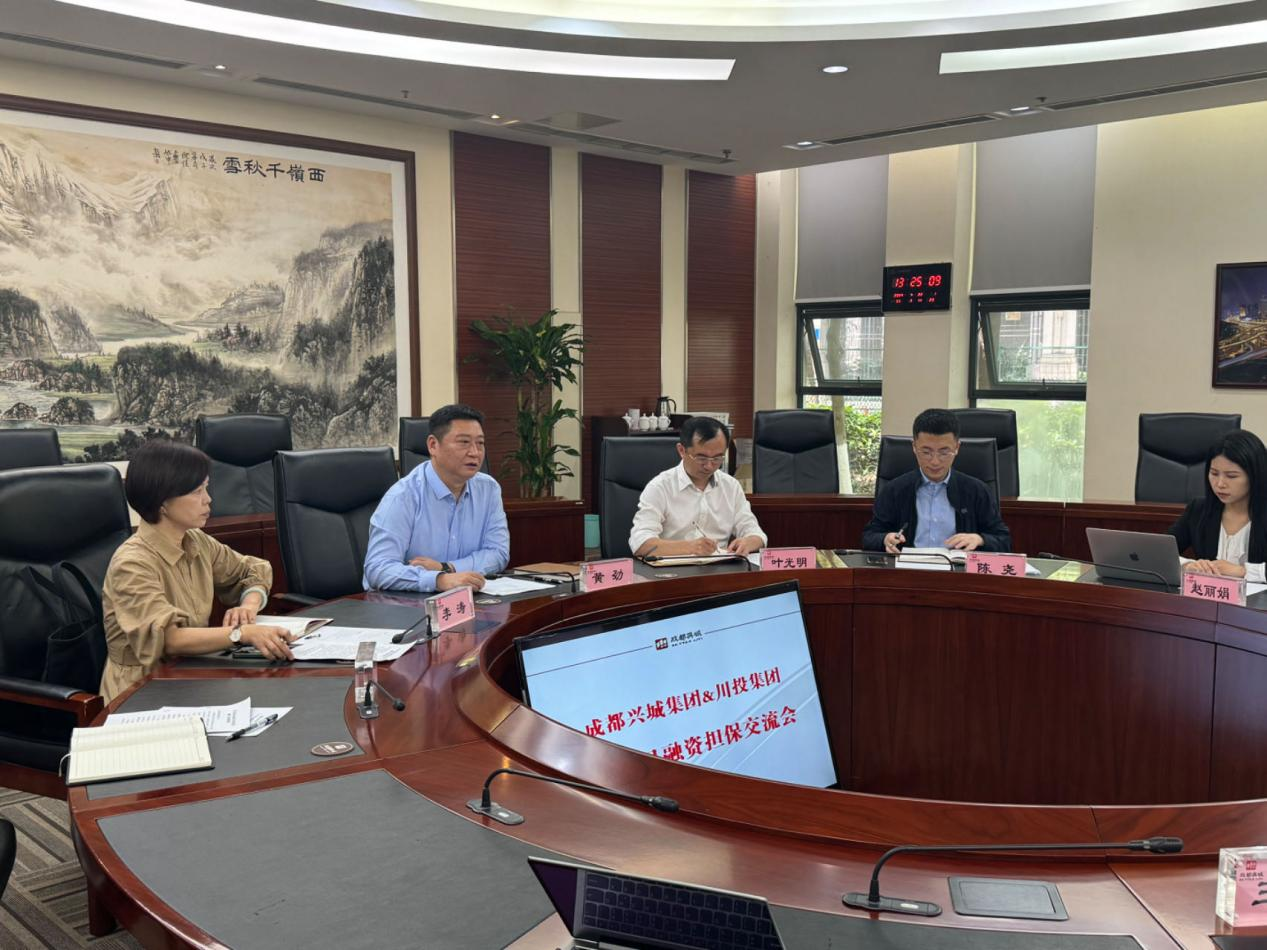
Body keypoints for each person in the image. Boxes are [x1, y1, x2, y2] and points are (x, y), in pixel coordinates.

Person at [101, 440, 292, 703]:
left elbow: (252, 570)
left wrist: (248, 605)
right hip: (141, 691)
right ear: (162, 502)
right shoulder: (132, 563)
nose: (208, 499)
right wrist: (241, 633)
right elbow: (169, 639)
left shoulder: (195, 540)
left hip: (191, 675)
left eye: (206, 488)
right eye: (197, 491)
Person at [363, 404, 509, 593]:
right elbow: (378, 569)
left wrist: (447, 568)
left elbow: (498, 553)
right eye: (464, 442)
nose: (475, 452)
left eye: (480, 443)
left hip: (463, 599)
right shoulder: (403, 496)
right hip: (400, 603)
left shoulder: (488, 489)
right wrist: (439, 580)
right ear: (433, 445)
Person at [862, 408, 1011, 554]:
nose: (935, 461)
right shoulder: (895, 490)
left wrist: (980, 539)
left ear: (957, 447)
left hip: (957, 568)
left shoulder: (977, 491)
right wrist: (885, 539)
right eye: (926, 452)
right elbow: (869, 536)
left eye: (944, 452)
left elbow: (1003, 540)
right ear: (914, 447)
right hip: (909, 567)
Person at [630, 416, 766, 558]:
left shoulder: (731, 486)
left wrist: (748, 542)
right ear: (681, 450)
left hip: (721, 567)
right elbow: (640, 543)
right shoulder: (660, 487)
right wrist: (690, 547)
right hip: (672, 569)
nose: (709, 466)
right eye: (701, 458)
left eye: (717, 458)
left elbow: (757, 534)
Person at [1168, 429, 1267, 581]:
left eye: (1231, 476)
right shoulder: (1198, 510)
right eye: (1214, 473)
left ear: (1255, 475)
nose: (1220, 484)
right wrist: (1188, 565)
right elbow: (1161, 552)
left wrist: (1243, 571)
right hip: (1208, 595)